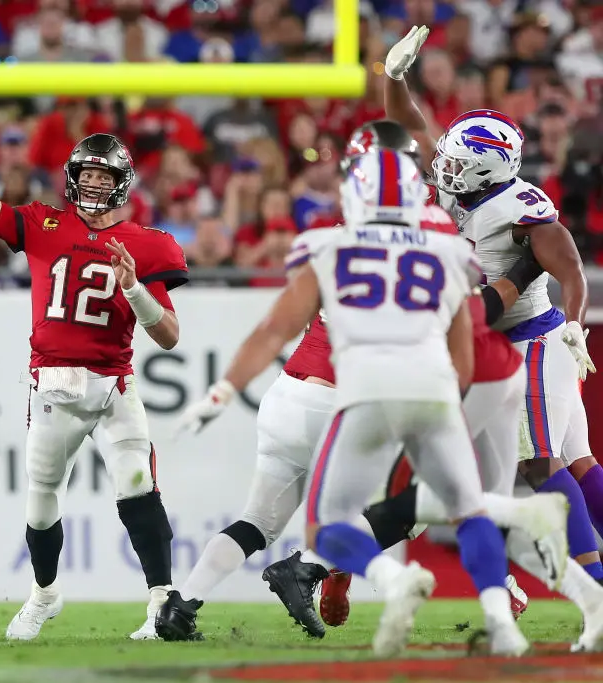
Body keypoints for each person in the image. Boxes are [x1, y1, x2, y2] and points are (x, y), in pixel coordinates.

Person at [154, 122, 553, 640]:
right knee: (414, 505)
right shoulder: (440, 242)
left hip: (287, 397)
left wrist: (223, 390)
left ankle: (181, 606)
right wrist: (523, 270)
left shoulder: (332, 241)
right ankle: (335, 572)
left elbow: (273, 328)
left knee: (257, 520)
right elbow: (468, 330)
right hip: (351, 403)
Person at [0, 131, 188, 641]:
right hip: (53, 383)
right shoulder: (42, 222)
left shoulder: (149, 243)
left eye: (102, 176)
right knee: (42, 497)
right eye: (86, 174)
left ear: (121, 184)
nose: (92, 184)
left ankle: (161, 604)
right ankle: (45, 593)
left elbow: (170, 336)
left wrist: (134, 287)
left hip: (114, 384)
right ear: (72, 178)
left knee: (137, 482)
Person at [383, 25, 603, 588]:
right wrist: (393, 78)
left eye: (459, 162)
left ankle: (595, 585)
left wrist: (576, 325)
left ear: (490, 167)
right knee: (579, 466)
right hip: (499, 342)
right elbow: (410, 123)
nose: (446, 169)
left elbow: (571, 269)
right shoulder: (459, 186)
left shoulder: (518, 204)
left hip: (532, 338)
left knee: (539, 465)